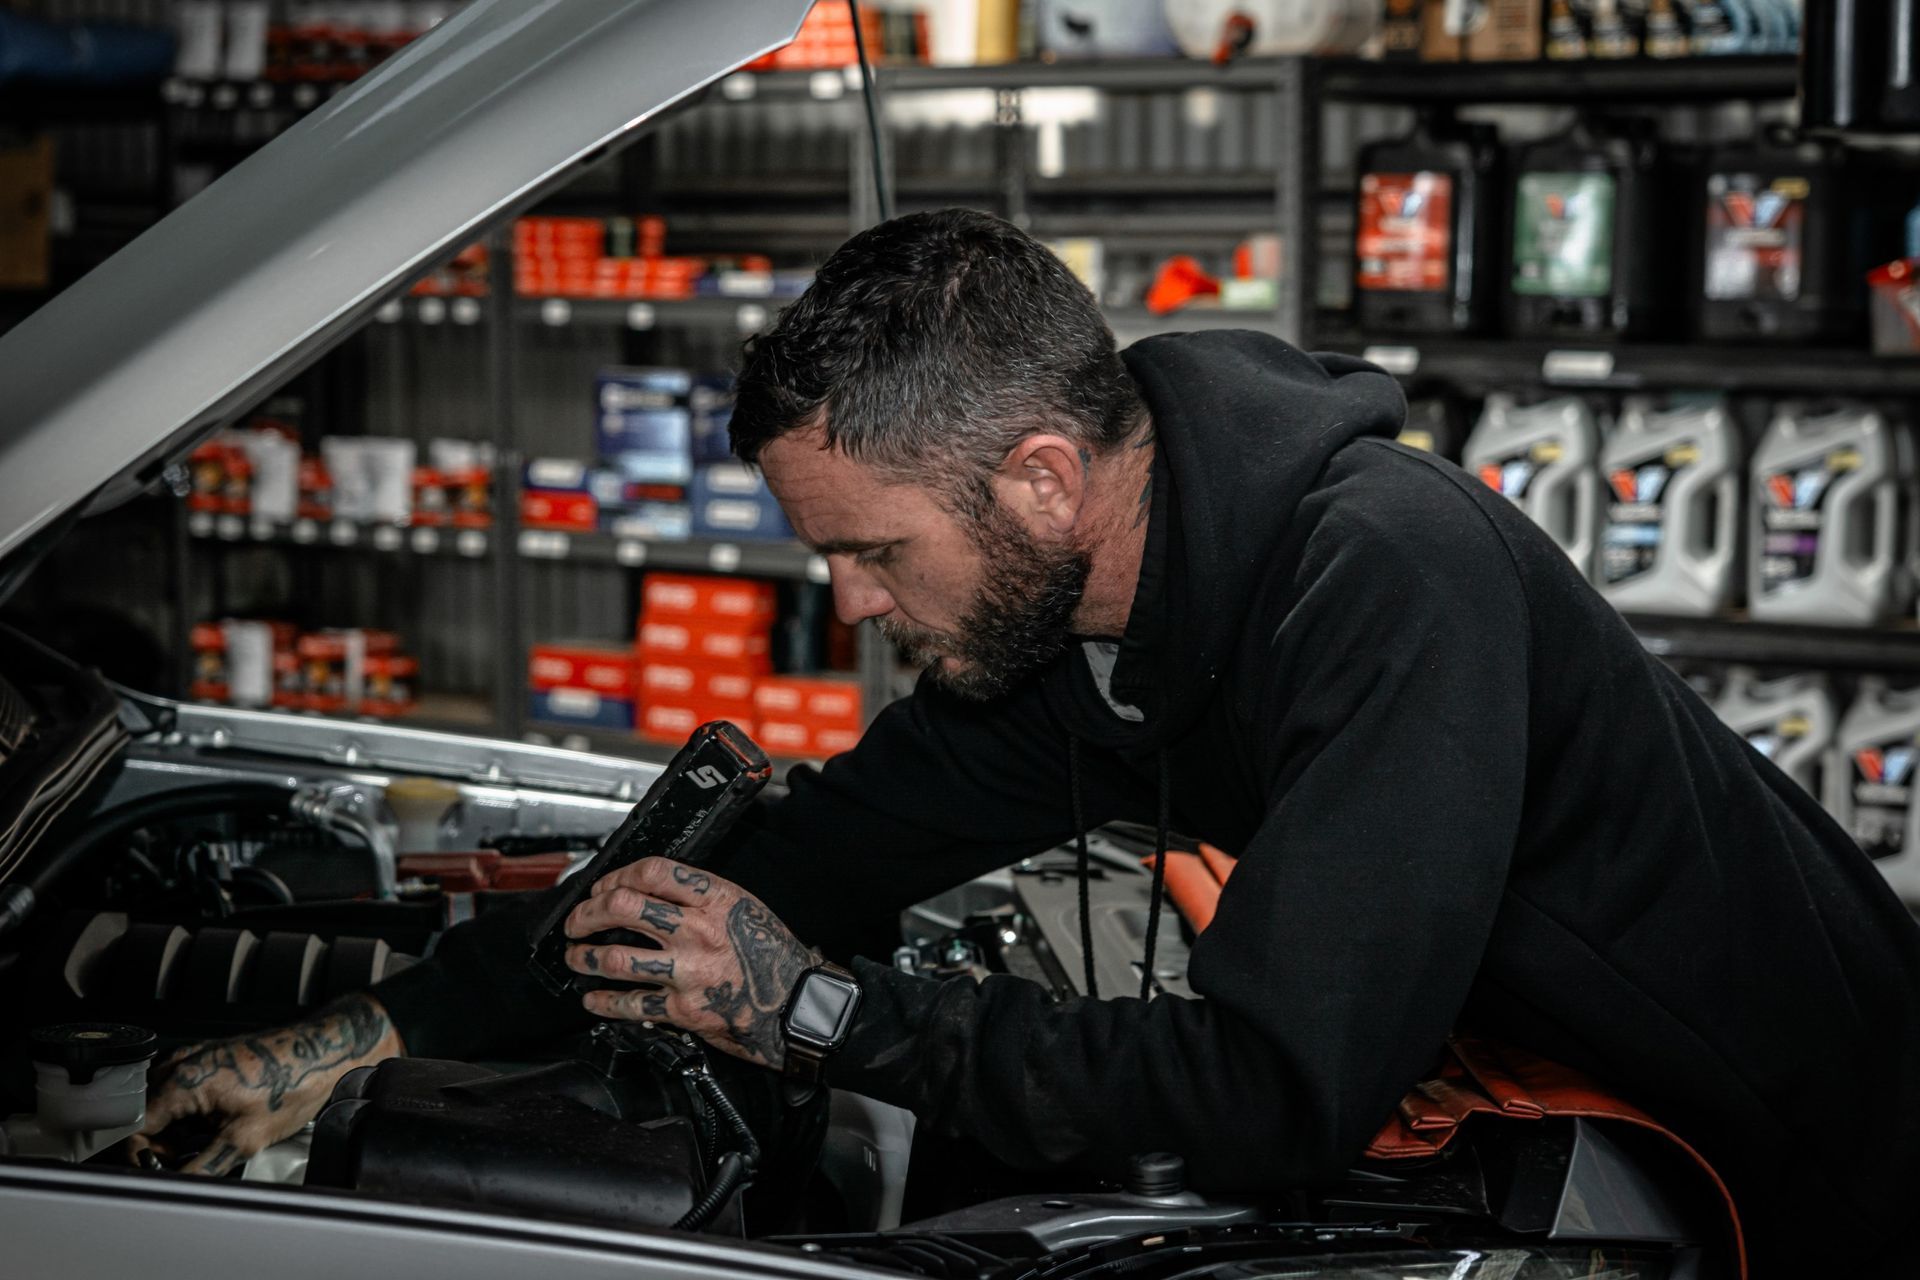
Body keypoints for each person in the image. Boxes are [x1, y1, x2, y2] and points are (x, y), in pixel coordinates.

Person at [138, 209, 1920, 1276]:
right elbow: (787, 864)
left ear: (1044, 478)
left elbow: (1277, 1097)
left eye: (867, 548)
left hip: (1812, 1185)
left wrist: (830, 1017)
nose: (847, 601)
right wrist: (359, 1036)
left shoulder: (1387, 577)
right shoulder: (1077, 633)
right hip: (1578, 1144)